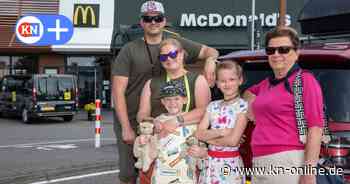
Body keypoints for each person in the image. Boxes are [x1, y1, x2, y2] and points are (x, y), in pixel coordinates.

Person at [111, 1, 218, 183]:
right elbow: (117, 91)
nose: (153, 22)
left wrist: (210, 61)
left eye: (157, 18)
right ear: (142, 22)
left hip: (179, 130)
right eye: (148, 18)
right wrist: (128, 127)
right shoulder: (129, 51)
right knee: (132, 172)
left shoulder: (177, 45)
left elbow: (210, 51)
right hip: (136, 120)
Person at [243, 27, 324, 184]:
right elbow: (247, 93)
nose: (276, 55)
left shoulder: (305, 81)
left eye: (283, 49)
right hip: (259, 161)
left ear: (296, 53)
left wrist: (309, 173)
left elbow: (315, 128)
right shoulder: (267, 83)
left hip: (287, 161)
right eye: (271, 50)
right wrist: (250, 106)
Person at [138, 81, 206, 183]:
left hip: (186, 176)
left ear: (185, 100)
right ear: (162, 102)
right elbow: (146, 145)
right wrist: (143, 142)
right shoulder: (157, 122)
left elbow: (202, 145)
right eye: (168, 99)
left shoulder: (192, 121)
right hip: (161, 175)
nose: (172, 103)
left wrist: (202, 153)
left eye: (176, 99)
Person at [195, 60, 248, 184]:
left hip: (229, 165)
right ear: (217, 83)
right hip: (210, 163)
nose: (227, 84)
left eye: (232, 79)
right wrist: (223, 132)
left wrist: (208, 138)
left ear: (240, 80)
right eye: (223, 81)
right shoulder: (212, 106)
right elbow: (198, 133)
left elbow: (233, 141)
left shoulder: (243, 106)